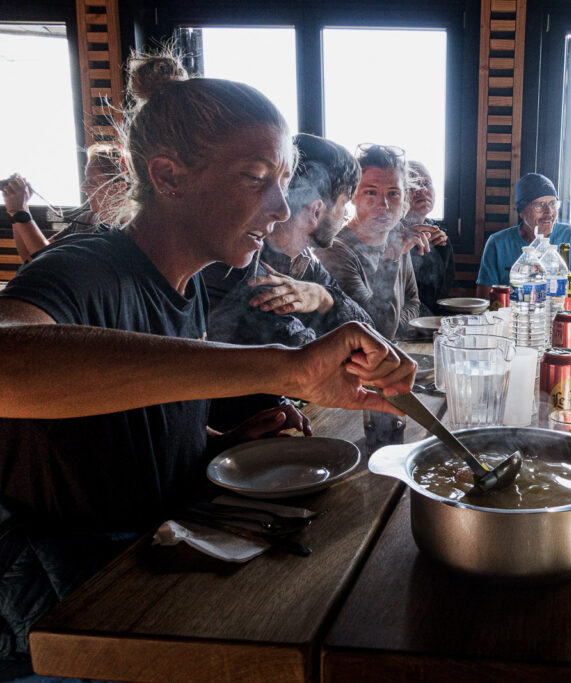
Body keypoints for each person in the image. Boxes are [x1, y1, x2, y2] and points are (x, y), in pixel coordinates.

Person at [0, 53, 414, 673]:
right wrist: (279, 366)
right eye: (256, 178)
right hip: (62, 611)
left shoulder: (188, 285)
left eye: (284, 181)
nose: (280, 207)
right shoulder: (88, 267)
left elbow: (111, 439)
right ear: (167, 177)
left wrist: (219, 440)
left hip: (150, 562)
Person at [203, 132, 372, 345]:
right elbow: (302, 354)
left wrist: (322, 297)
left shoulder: (306, 262)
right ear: (316, 211)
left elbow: (367, 329)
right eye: (343, 204)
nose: (346, 215)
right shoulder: (243, 261)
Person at [316, 144, 421, 339]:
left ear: (405, 197)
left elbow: (413, 302)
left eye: (393, 193)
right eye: (371, 192)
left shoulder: (396, 235)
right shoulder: (335, 250)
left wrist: (395, 323)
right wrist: (391, 256)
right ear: (353, 196)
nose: (384, 205)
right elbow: (375, 329)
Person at [476, 172, 571, 302]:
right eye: (539, 205)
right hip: (515, 319)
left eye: (553, 203)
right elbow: (484, 300)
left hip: (558, 317)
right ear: (522, 211)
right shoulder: (498, 243)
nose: (549, 212)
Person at [2, 143, 128, 263]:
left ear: (118, 188)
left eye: (91, 182)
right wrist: (16, 210)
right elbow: (30, 259)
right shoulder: (86, 220)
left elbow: (47, 261)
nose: (82, 187)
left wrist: (20, 212)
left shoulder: (124, 232)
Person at [401, 161, 455, 315]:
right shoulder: (389, 233)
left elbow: (443, 294)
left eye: (426, 183)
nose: (422, 190)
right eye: (413, 185)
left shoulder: (439, 237)